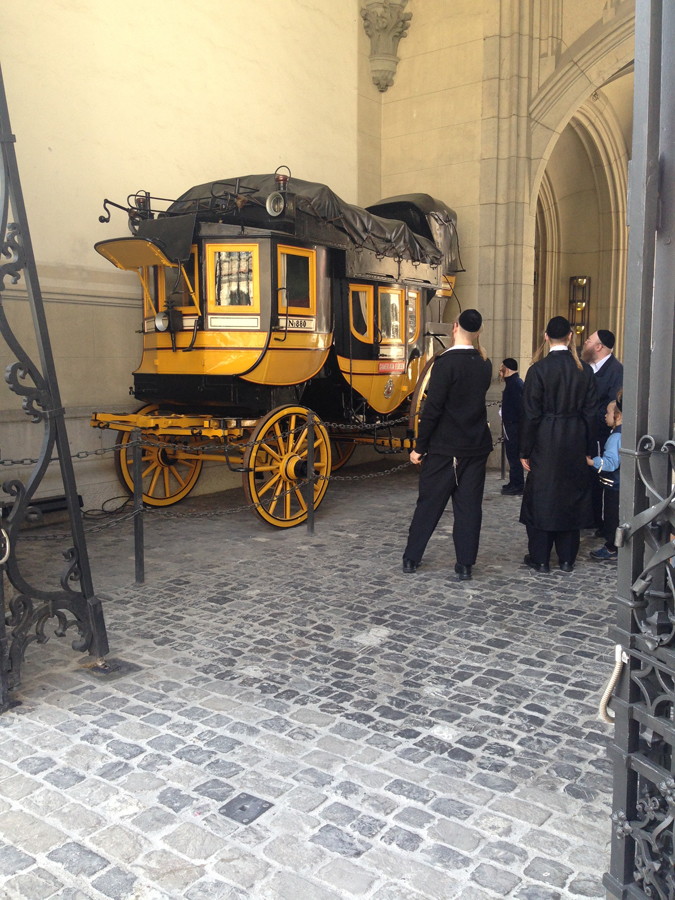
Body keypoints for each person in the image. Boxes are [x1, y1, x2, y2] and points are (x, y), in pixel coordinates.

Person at [403, 308, 493, 581]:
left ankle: (411, 558)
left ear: (455, 327)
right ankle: (465, 564)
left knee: (429, 504)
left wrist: (419, 447)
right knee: (469, 508)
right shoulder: (484, 363)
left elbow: (433, 410)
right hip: (475, 445)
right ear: (478, 332)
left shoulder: (445, 363)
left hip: (444, 447)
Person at [519, 316, 598, 573]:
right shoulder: (584, 371)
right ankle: (567, 558)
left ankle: (540, 558)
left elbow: (530, 414)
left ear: (546, 337)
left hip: (545, 439)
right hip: (574, 438)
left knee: (542, 496)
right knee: (571, 496)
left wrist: (524, 449)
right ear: (570, 336)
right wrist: (588, 447)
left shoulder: (538, 370)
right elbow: (591, 414)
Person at [581, 329, 623, 530]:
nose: (585, 343)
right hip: (585, 431)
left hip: (600, 433)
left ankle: (597, 520)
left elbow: (612, 406)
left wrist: (589, 418)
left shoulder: (616, 370)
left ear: (599, 347)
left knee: (598, 478)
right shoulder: (585, 367)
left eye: (589, 340)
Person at [587, 389, 622, 561]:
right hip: (616, 484)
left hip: (613, 485)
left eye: (608, 413)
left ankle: (612, 548)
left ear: (617, 416)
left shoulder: (616, 437)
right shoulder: (620, 434)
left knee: (612, 519)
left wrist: (591, 462)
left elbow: (611, 462)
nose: (605, 416)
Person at [499, 358, 524, 495]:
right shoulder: (513, 383)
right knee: (511, 455)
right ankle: (514, 482)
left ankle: (518, 485)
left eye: (501, 369)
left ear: (507, 370)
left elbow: (519, 407)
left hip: (514, 426)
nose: (500, 373)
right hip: (511, 424)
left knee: (514, 456)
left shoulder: (515, 384)